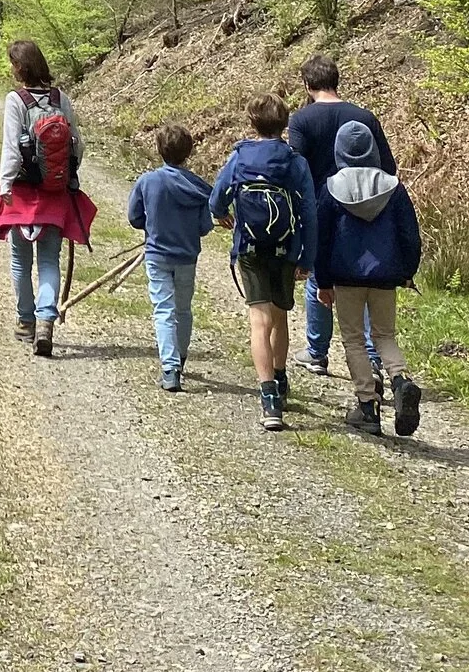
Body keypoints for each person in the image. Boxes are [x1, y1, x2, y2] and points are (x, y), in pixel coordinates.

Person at [208, 93, 317, 431]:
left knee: (259, 322)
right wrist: (307, 259)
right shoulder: (295, 162)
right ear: (284, 125)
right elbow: (309, 213)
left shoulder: (240, 157)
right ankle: (281, 378)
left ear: (252, 122)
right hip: (286, 248)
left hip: (250, 247)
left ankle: (268, 396)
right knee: (280, 318)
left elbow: (217, 197)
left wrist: (220, 214)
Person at [285, 56, 396, 378]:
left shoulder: (301, 120)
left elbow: (297, 169)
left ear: (307, 85)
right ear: (337, 80)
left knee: (320, 279)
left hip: (321, 208)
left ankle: (318, 353)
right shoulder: (364, 117)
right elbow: (388, 167)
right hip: (367, 208)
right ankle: (373, 357)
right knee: (361, 275)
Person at [317, 119, 425, 436]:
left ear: (339, 151)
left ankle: (368, 406)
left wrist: (322, 281)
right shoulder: (394, 187)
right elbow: (410, 236)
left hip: (345, 277)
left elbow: (322, 240)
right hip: (385, 276)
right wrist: (406, 272)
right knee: (385, 336)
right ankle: (401, 379)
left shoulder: (331, 188)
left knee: (353, 339)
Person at [0, 40, 96, 358]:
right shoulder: (60, 98)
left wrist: (5, 185)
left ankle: (26, 321)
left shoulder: (16, 101)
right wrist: (68, 174)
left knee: (20, 261)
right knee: (49, 260)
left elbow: (11, 148)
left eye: (13, 64)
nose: (12, 69)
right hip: (54, 192)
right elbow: (76, 144)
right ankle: (46, 320)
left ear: (21, 68)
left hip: (23, 193)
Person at [125, 122, 211, 392]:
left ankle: (170, 368)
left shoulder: (148, 181)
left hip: (157, 255)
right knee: (183, 309)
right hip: (187, 256)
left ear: (160, 150)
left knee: (164, 309)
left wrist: (151, 226)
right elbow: (205, 227)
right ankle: (181, 358)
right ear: (189, 152)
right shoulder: (198, 187)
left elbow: (134, 216)